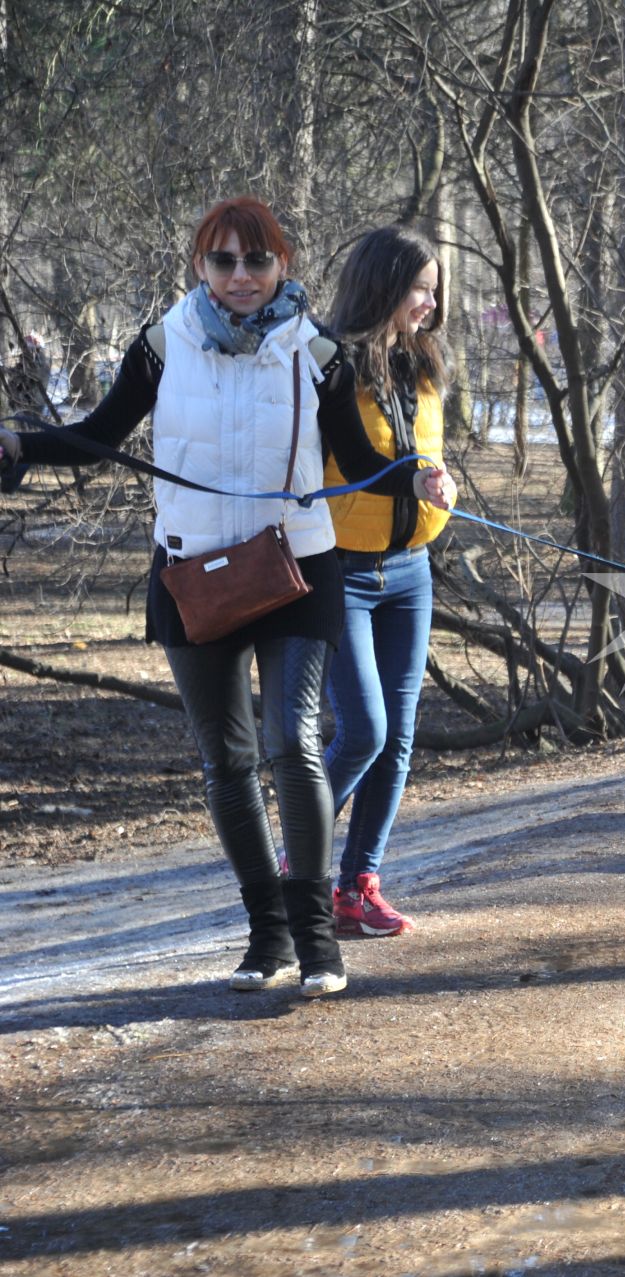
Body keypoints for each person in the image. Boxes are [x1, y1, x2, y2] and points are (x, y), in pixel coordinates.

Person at [0, 197, 452, 997]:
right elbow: (99, 436)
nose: (241, 278)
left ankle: (318, 944)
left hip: (297, 571)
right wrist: (20, 446)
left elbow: (353, 455)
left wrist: (415, 476)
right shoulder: (161, 346)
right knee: (228, 762)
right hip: (192, 575)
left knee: (294, 743)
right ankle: (265, 939)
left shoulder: (316, 352)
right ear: (200, 267)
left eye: (257, 261)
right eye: (223, 262)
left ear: (282, 265)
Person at [319, 226, 458, 937]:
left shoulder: (426, 362)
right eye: (419, 289)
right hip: (343, 571)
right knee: (364, 729)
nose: (430, 304)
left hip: (412, 572)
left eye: (435, 291)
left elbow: (423, 448)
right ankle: (299, 858)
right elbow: (350, 455)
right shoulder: (332, 364)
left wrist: (443, 479)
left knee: (398, 735)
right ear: (382, 286)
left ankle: (357, 886)